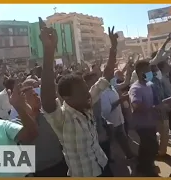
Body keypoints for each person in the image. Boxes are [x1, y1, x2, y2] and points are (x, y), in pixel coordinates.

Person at [40, 17, 118, 177]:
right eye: (82, 92)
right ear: (67, 98)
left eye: (86, 89)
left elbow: (107, 76)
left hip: (102, 165)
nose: (87, 94)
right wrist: (48, 52)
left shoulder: (86, 101)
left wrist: (113, 48)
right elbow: (47, 99)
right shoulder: (62, 119)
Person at [129, 60, 171, 176]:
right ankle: (145, 169)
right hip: (142, 125)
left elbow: (156, 103)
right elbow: (136, 106)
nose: (150, 73)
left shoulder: (149, 85)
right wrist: (156, 108)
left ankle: (144, 167)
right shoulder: (135, 88)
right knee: (149, 146)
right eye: (148, 71)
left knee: (150, 146)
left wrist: (166, 104)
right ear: (140, 73)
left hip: (151, 123)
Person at [11, 81, 67, 177]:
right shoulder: (16, 124)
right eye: (32, 96)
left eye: (37, 94)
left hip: (61, 165)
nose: (37, 97)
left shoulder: (47, 115)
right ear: (23, 101)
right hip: (40, 172)